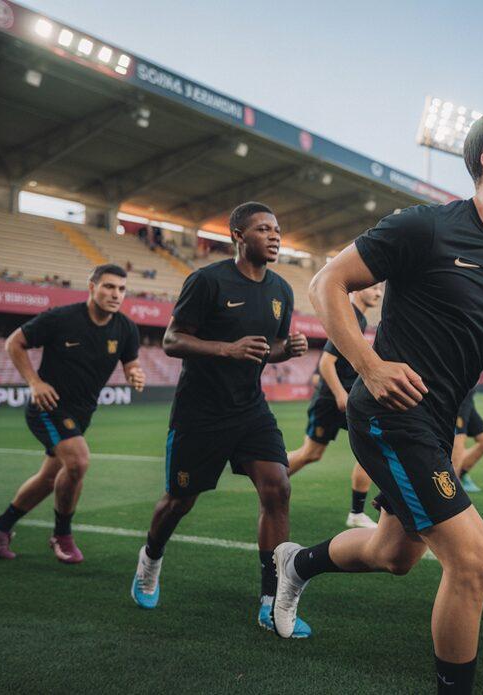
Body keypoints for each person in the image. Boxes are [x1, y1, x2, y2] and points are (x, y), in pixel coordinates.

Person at [271, 106, 483, 694]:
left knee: (393, 553)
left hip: (437, 424)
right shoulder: (424, 227)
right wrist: (369, 366)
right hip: (391, 419)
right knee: (475, 562)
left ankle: (295, 563)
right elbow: (327, 282)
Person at [128, 202, 311, 637]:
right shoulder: (207, 281)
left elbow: (270, 348)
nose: (274, 235)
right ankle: (150, 559)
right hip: (200, 415)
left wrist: (290, 349)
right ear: (237, 235)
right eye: (263, 228)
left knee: (278, 486)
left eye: (277, 228)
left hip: (250, 409)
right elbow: (172, 340)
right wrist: (225, 348)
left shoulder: (281, 291)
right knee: (179, 501)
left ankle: (271, 600)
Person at [0, 264, 144, 562]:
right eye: (108, 286)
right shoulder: (61, 318)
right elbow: (14, 343)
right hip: (49, 407)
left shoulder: (126, 328)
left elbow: (130, 362)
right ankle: (62, 535)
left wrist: (135, 374)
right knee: (78, 462)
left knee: (49, 477)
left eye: (121, 289)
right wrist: (35, 382)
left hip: (83, 413)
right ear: (92, 287)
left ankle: (0, 526)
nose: (115, 294)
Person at [287, 283, 385, 529]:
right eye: (373, 287)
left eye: (380, 288)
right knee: (313, 453)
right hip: (331, 401)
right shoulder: (350, 315)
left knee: (315, 453)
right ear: (358, 287)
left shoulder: (359, 318)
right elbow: (326, 363)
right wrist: (342, 395)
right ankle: (269, 480)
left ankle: (356, 512)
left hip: (338, 400)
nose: (378, 292)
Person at [452, 387, 483, 493]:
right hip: (457, 396)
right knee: (458, 446)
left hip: (468, 397)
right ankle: (453, 490)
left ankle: (458, 475)